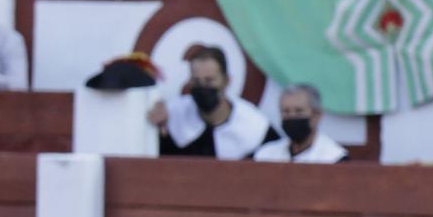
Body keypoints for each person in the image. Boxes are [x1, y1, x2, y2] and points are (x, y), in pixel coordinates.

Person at [146, 45, 275, 158]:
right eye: (196, 81)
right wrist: (159, 129)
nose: (203, 87)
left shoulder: (254, 125)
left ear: (226, 81)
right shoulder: (173, 115)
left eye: (209, 81)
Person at [253, 84, 347, 164]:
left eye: (299, 111)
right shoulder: (265, 155)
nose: (292, 117)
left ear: (316, 115)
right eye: (286, 111)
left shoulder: (334, 158)